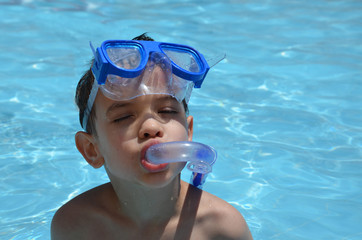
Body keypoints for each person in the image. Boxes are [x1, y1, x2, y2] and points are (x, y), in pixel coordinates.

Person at [51, 33, 253, 240]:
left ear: (188, 132)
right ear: (91, 150)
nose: (151, 126)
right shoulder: (76, 225)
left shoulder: (222, 227)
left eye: (167, 111)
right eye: (124, 117)